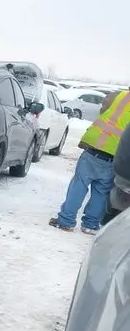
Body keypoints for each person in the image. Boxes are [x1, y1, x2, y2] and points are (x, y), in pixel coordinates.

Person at [50, 87, 130, 234]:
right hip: (117, 156)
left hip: (95, 147)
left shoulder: (119, 96)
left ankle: (66, 221)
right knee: (102, 191)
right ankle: (90, 225)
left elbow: (102, 111)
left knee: (79, 185)